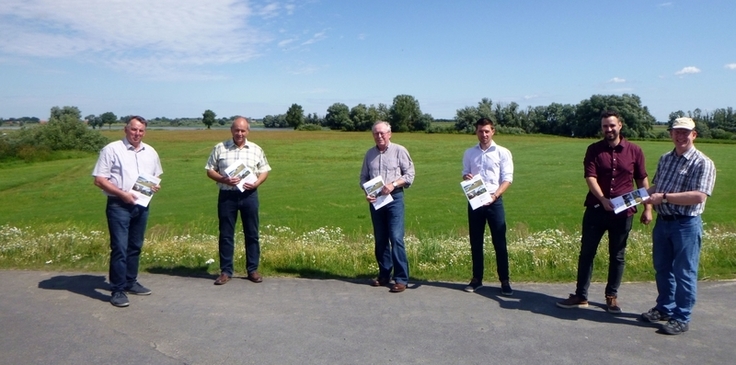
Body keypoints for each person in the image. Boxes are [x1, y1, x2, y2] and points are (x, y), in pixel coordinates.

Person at [557, 110, 652, 313]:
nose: (608, 129)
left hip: (623, 213)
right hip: (596, 209)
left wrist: (648, 207)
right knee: (587, 253)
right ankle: (581, 295)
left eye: (612, 125)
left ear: (620, 126)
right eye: (605, 126)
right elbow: (590, 177)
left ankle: (611, 296)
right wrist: (602, 199)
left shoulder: (635, 151)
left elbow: (642, 179)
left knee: (617, 255)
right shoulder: (593, 150)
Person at [640, 117, 716, 335]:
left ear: (694, 135)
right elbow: (657, 186)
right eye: (677, 132)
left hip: (686, 225)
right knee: (662, 269)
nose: (681, 136)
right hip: (663, 223)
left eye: (686, 132)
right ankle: (664, 308)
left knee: (684, 272)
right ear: (671, 134)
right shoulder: (666, 159)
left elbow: (699, 196)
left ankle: (682, 317)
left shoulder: (703, 162)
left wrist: (662, 198)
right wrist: (634, 197)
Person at [92, 116, 163, 308]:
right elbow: (99, 179)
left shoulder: (150, 152)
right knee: (120, 248)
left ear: (144, 132)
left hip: (141, 205)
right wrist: (122, 194)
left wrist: (154, 186)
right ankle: (118, 290)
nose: (137, 134)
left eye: (141, 130)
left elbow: (156, 175)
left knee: (135, 246)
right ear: (126, 129)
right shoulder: (112, 149)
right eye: (134, 130)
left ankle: (131, 282)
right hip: (118, 205)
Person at [205, 117, 271, 285]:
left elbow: (264, 170)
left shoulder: (256, 149)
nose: (239, 133)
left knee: (252, 234)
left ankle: (252, 270)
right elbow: (209, 170)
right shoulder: (220, 148)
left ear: (247, 131)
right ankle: (226, 271)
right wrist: (224, 179)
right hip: (227, 196)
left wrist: (257, 182)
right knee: (226, 234)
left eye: (243, 130)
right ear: (231, 130)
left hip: (249, 195)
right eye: (237, 130)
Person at [360, 121, 415, 293]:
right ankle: (384, 275)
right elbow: (363, 177)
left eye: (383, 133)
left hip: (395, 198)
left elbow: (410, 174)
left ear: (390, 133)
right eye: (376, 133)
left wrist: (394, 184)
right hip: (376, 200)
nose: (379, 136)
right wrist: (366, 191)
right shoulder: (369, 154)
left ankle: (401, 279)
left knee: (396, 237)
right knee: (381, 238)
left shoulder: (399, 150)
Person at [462, 118, 514, 296]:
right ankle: (477, 279)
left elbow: (508, 179)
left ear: (493, 131)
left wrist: (495, 195)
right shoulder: (469, 153)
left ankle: (504, 280)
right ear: (476, 132)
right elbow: (465, 174)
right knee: (475, 241)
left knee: (499, 242)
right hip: (475, 200)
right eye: (480, 131)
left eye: (486, 131)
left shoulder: (502, 153)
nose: (483, 134)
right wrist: (467, 178)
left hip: (494, 200)